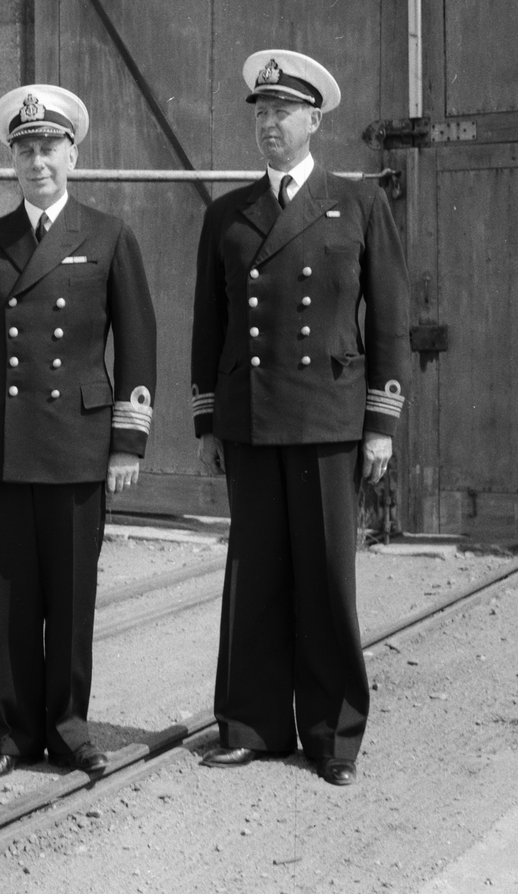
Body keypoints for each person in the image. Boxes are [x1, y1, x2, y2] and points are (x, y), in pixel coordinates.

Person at [190, 50, 409, 787]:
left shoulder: (358, 202)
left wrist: (381, 422)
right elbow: (209, 325)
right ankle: (251, 725)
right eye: (261, 111)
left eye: (283, 111)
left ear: (315, 119)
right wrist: (207, 423)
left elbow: (389, 320)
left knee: (325, 579)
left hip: (327, 419)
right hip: (251, 419)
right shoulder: (227, 213)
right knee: (254, 577)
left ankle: (332, 736)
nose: (269, 124)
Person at [0, 84, 157, 780]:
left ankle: (69, 731)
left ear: (74, 155)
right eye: (25, 150)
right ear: (12, 160)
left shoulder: (108, 234)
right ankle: (12, 736)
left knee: (69, 598)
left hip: (76, 444)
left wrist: (127, 441)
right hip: (5, 444)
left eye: (49, 148)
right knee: (9, 598)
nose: (37, 162)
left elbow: (138, 342)